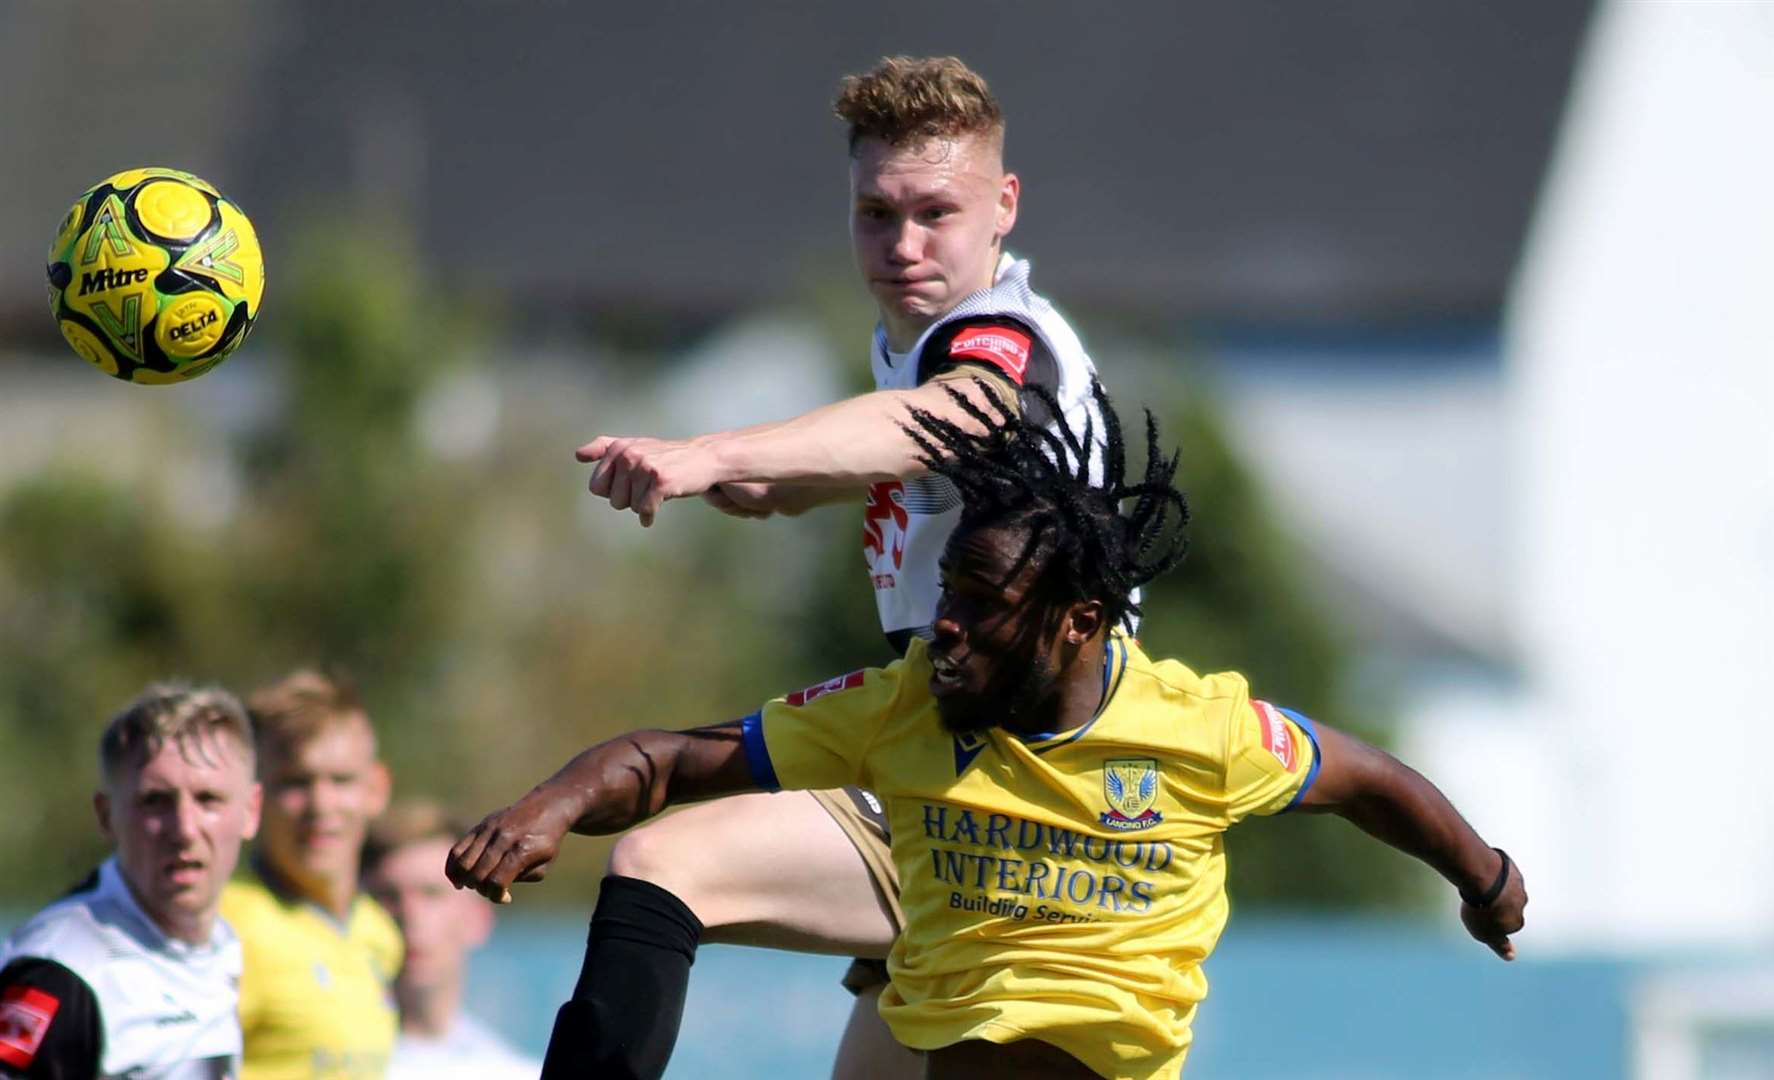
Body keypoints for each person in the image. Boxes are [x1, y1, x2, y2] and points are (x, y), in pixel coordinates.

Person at [448, 382, 1529, 1079]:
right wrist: (548, 807)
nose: (945, 623)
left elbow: (1373, 779)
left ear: (1079, 623)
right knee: (660, 865)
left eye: (979, 600)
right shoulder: (904, 704)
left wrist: (1484, 879)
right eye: (945, 590)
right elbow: (675, 758)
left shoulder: (1198, 730)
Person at [571, 54, 1117, 1077]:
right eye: (875, 214)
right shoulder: (910, 342)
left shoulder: (1000, 338)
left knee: (662, 863)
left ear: (1004, 206)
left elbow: (945, 422)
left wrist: (717, 454)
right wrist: (780, 486)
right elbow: (916, 459)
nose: (902, 245)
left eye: (934, 214)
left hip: (1018, 782)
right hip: (956, 758)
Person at [0, 683, 261, 1079]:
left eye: (208, 799)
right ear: (106, 816)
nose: (185, 829)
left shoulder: (225, 943)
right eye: (155, 801)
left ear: (251, 811)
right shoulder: (62, 972)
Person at [219, 671, 400, 1080]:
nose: (321, 805)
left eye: (341, 780)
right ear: (253, 796)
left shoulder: (379, 933)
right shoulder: (224, 926)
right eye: (295, 782)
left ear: (376, 789)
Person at [360, 800, 539, 1080]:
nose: (410, 915)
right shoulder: (316, 1060)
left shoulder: (516, 1072)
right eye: (389, 896)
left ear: (479, 917)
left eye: (431, 894)